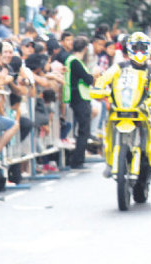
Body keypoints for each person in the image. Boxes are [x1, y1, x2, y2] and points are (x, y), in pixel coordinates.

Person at [96, 32, 151, 179]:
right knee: (108, 125)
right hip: (121, 107)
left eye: (142, 48)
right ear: (129, 49)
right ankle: (110, 161)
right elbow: (104, 78)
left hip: (142, 109)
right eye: (136, 48)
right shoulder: (119, 67)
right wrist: (99, 89)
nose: (139, 51)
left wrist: (150, 101)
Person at [63, 36, 98, 169]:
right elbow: (88, 79)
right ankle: (78, 160)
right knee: (84, 130)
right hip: (80, 98)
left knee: (81, 130)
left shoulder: (71, 60)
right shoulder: (75, 61)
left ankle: (78, 158)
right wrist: (93, 75)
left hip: (77, 97)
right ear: (85, 48)